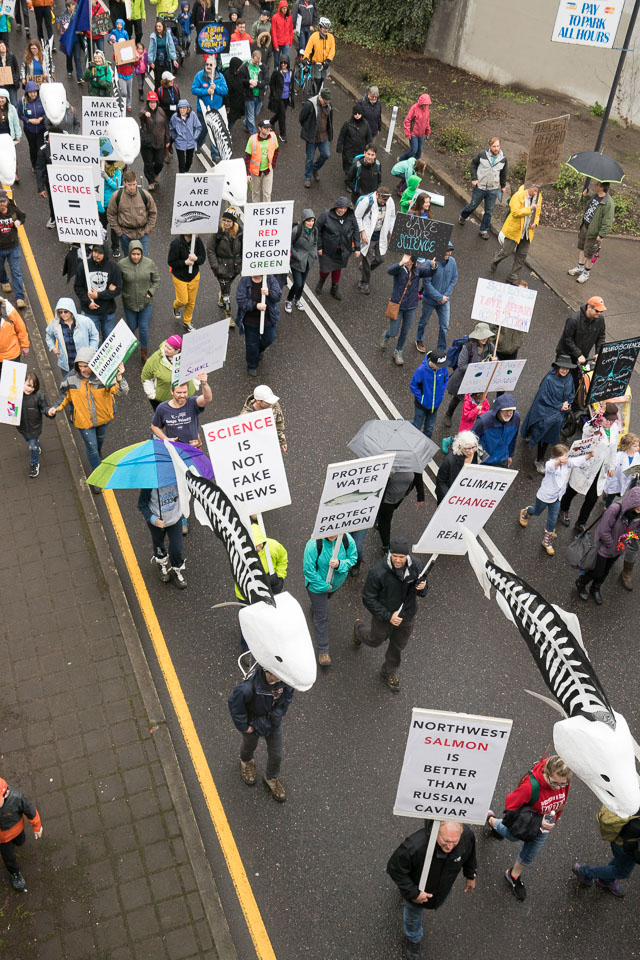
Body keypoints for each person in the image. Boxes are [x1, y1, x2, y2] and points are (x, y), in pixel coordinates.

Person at [486, 755, 571, 903]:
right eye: (554, 783)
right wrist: (538, 820)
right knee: (510, 836)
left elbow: (562, 802)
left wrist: (554, 820)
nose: (558, 788)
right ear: (546, 773)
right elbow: (510, 805)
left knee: (530, 854)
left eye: (562, 784)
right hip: (527, 824)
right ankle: (491, 821)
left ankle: (513, 875)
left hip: (543, 827)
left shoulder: (564, 781)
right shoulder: (530, 786)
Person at [387, 819, 476, 960]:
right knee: (412, 917)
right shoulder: (414, 846)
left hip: (442, 889)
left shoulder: (467, 836)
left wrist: (471, 875)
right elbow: (395, 869)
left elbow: (470, 855)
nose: (450, 846)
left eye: (454, 842)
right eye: (446, 841)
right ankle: (413, 938)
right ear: (436, 832)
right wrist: (413, 893)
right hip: (417, 893)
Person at [353, 538, 427, 693]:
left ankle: (389, 672)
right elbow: (368, 598)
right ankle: (358, 629)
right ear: (390, 554)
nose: (398, 560)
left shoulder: (417, 565)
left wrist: (423, 587)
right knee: (374, 640)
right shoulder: (377, 572)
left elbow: (422, 591)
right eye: (395, 556)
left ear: (407, 556)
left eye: (402, 557)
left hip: (407, 615)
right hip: (384, 616)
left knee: (397, 646)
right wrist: (388, 615)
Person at [48, 348, 129, 480]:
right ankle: (97, 477)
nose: (82, 369)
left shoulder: (104, 376)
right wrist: (56, 407)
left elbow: (121, 391)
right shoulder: (71, 378)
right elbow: (65, 395)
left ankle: (97, 455)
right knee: (91, 446)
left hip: (103, 418)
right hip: (83, 421)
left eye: (85, 366)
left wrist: (119, 377)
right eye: (79, 366)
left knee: (99, 441)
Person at [228, 663, 293, 801]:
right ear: (266, 671)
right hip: (253, 722)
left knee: (277, 754)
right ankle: (246, 761)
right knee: (249, 746)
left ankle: (271, 777)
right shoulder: (247, 688)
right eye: (276, 674)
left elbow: (287, 698)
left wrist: (279, 714)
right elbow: (235, 705)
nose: (280, 677)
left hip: (273, 723)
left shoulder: (285, 681)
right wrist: (244, 727)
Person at [520, 444, 593, 556]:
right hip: (544, 497)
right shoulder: (550, 464)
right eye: (564, 457)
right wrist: (558, 462)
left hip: (557, 498)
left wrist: (588, 456)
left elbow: (576, 461)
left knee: (552, 519)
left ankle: (547, 541)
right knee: (537, 512)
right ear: (557, 457)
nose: (567, 459)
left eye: (567, 457)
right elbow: (550, 466)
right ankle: (526, 512)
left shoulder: (567, 463)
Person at [559, 402, 620, 532]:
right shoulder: (593, 426)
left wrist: (611, 466)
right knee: (573, 489)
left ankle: (581, 522)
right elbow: (587, 429)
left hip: (601, 469)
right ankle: (563, 509)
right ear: (602, 417)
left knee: (592, 497)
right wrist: (598, 418)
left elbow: (613, 449)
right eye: (607, 419)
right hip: (587, 465)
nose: (610, 423)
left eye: (612, 420)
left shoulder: (614, 429)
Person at [575, 487, 640, 604]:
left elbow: (636, 531)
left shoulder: (638, 516)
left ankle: (595, 588)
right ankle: (581, 582)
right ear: (633, 501)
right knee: (597, 571)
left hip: (618, 549)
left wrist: (625, 541)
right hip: (605, 547)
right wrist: (611, 544)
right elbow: (603, 530)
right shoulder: (615, 509)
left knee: (605, 571)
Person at [303, 532, 357, 665]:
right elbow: (308, 570)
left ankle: (315, 607)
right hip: (317, 588)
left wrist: (340, 564)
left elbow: (353, 558)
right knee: (322, 617)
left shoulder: (346, 539)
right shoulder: (313, 544)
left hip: (335, 586)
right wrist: (324, 586)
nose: (333, 535)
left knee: (321, 606)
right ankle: (323, 650)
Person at [521, 356, 576, 471]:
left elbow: (571, 392)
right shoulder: (549, 380)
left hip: (559, 413)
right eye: (562, 368)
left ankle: (538, 454)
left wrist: (567, 402)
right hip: (545, 410)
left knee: (547, 434)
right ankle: (539, 460)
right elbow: (544, 397)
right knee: (543, 430)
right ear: (557, 367)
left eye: (567, 369)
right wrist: (560, 405)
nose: (565, 371)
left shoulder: (569, 378)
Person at [573, 806, 640, 898]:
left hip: (621, 836)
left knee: (621, 861)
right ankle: (584, 872)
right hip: (626, 844)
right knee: (623, 872)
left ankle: (606, 880)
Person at [380, 254, 430, 363]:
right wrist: (400, 263)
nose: (405, 258)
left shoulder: (418, 270)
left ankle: (398, 351)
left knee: (405, 331)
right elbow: (389, 271)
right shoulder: (399, 269)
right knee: (393, 332)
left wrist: (434, 266)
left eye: (408, 258)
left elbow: (430, 272)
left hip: (411, 307)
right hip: (397, 306)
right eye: (405, 256)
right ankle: (387, 335)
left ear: (412, 261)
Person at [442, 323, 495, 425]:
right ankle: (449, 414)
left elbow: (494, 361)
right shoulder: (468, 347)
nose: (485, 338)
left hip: (480, 380)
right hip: (465, 378)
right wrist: (478, 366)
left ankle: (475, 419)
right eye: (482, 336)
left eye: (486, 336)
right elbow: (461, 366)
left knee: (480, 400)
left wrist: (495, 361)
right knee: (457, 398)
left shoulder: (490, 346)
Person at [138, 480, 188, 587]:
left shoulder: (177, 480)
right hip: (157, 523)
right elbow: (142, 505)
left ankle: (176, 568)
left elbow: (186, 493)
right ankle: (161, 562)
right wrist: (154, 519)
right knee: (159, 544)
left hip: (175, 520)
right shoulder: (149, 485)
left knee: (177, 548)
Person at [490, 183, 541, 284]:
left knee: (522, 255)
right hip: (515, 230)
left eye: (538, 190)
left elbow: (537, 213)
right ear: (529, 187)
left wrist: (535, 223)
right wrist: (530, 209)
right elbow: (515, 212)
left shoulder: (539, 196)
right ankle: (496, 260)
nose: (537, 192)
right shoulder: (518, 195)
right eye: (535, 189)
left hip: (527, 232)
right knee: (507, 251)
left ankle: (513, 276)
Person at [458, 136, 508, 239]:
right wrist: (474, 178)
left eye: (498, 146)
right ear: (490, 146)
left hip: (493, 188)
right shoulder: (482, 154)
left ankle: (484, 230)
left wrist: (503, 186)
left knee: (489, 211)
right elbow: (473, 165)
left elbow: (503, 174)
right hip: (480, 186)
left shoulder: (503, 159)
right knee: (473, 205)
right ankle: (463, 215)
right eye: (494, 146)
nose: (496, 148)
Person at [0, 777, 43, 893]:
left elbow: (30, 810)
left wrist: (37, 826)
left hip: (16, 831)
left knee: (20, 841)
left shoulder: (16, 799)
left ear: (6, 794)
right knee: (9, 858)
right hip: (2, 840)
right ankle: (15, 874)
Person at [119, 240, 160, 361]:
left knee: (143, 328)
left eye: (138, 254)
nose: (136, 257)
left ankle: (144, 352)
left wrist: (151, 292)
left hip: (145, 302)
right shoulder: (121, 264)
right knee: (131, 327)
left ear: (142, 253)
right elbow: (117, 281)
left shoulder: (149, 263)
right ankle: (127, 346)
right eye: (133, 254)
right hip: (129, 302)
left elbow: (156, 280)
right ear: (129, 253)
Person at [568, 180, 615, 284]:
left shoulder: (608, 203)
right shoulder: (594, 196)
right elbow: (588, 207)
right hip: (585, 226)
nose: (594, 185)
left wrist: (601, 235)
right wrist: (585, 197)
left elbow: (608, 221)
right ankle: (580, 267)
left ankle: (586, 273)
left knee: (591, 253)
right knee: (582, 247)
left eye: (597, 184)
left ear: (602, 187)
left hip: (594, 232)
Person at [415, 241, 458, 353]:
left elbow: (454, 279)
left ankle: (441, 349)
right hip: (430, 300)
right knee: (424, 321)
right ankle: (419, 339)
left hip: (445, 300)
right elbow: (426, 284)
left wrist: (445, 296)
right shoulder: (429, 263)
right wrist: (439, 297)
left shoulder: (452, 262)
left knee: (444, 326)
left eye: (450, 251)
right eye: (446, 251)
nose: (448, 253)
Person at [235, 272, 282, 376]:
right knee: (252, 345)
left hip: (268, 319)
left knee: (269, 338)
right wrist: (255, 306)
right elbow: (240, 299)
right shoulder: (244, 281)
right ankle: (252, 365)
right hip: (250, 320)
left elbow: (278, 296)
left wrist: (269, 293)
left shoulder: (270, 279)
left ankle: (259, 350)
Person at [555, 296, 606, 391]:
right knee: (560, 378)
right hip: (566, 354)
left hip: (582, 356)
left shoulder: (600, 320)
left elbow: (601, 337)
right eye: (597, 311)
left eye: (601, 311)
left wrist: (598, 352)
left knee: (576, 380)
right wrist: (578, 354)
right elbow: (567, 339)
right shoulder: (573, 319)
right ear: (589, 307)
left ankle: (571, 397)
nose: (599, 313)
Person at [73, 243, 122, 341]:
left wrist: (98, 295)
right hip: (90, 312)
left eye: (100, 252)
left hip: (108, 312)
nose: (96, 255)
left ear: (105, 253)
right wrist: (88, 302)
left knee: (109, 342)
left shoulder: (113, 267)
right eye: (95, 251)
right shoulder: (83, 266)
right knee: (93, 341)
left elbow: (118, 289)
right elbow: (78, 287)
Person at [315, 196, 360, 300]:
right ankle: (321, 281)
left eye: (345, 208)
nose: (343, 210)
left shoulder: (351, 216)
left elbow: (356, 231)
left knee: (337, 268)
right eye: (341, 208)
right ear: (336, 207)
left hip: (343, 249)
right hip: (327, 248)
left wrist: (357, 248)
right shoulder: (326, 215)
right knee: (325, 268)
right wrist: (319, 246)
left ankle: (334, 288)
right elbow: (317, 229)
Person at [107, 169, 158, 257]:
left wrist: (147, 230)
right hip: (125, 235)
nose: (132, 187)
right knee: (128, 260)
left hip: (142, 234)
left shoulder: (145, 195)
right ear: (124, 183)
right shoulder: (117, 196)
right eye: (129, 185)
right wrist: (119, 232)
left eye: (134, 184)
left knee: (143, 260)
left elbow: (153, 212)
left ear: (136, 182)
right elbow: (111, 214)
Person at [355, 185, 395, 295]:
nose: (383, 202)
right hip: (368, 236)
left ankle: (364, 268)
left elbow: (392, 217)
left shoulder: (390, 201)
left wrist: (392, 232)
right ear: (377, 194)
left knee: (380, 259)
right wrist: (362, 231)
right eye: (382, 200)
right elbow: (357, 217)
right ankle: (364, 283)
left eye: (385, 200)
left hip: (381, 236)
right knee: (367, 261)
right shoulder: (367, 201)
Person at [142, 334, 201, 410]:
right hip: (162, 401)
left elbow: (196, 370)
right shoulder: (155, 359)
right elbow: (145, 377)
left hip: (185, 398)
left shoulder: (188, 356)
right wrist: (151, 394)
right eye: (165, 346)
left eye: (169, 349)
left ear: (177, 350)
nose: (165, 349)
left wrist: (195, 384)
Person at [151, 375, 212, 448]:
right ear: (171, 391)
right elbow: (155, 426)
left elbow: (207, 399)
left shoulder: (192, 402)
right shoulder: (162, 408)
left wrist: (204, 384)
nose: (182, 395)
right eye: (179, 392)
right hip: (175, 449)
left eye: (185, 392)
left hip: (194, 448)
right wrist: (165, 439)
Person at [45, 297, 99, 377]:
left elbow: (94, 335)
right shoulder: (54, 324)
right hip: (67, 365)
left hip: (84, 363)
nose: (63, 314)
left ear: (71, 310)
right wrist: (52, 348)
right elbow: (49, 336)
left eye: (65, 311)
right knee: (69, 383)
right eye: (60, 312)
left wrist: (91, 350)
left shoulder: (85, 321)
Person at [376, 465, 425, 552]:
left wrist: (420, 496)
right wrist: (386, 476)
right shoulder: (390, 463)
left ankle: (378, 517)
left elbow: (418, 476)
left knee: (386, 513)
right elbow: (376, 480)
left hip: (399, 497)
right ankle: (386, 545)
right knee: (385, 520)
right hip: (386, 498)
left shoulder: (413, 462)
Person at [207, 206, 243, 321]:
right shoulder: (217, 232)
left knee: (227, 285)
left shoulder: (240, 232)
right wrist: (215, 267)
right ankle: (228, 316)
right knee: (226, 293)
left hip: (235, 267)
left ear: (234, 222)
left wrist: (242, 264)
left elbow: (245, 249)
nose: (226, 223)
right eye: (224, 220)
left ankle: (222, 295)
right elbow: (210, 249)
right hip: (222, 268)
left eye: (229, 221)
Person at [168, 232, 206, 333]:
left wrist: (196, 259)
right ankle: (176, 306)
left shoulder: (197, 240)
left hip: (194, 276)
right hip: (180, 277)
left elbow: (202, 258)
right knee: (183, 301)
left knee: (191, 302)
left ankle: (187, 321)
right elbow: (171, 262)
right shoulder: (176, 243)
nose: (198, 232)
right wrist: (185, 262)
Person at [17, 370, 52, 478]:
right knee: (27, 440)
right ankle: (35, 443)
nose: (30, 389)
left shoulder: (39, 396)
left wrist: (49, 412)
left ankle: (34, 464)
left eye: (33, 387)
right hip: (21, 427)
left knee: (32, 446)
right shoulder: (16, 394)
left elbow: (44, 408)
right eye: (28, 385)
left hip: (34, 428)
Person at [473, 393, 520, 467]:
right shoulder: (483, 421)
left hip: (503, 460)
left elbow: (513, 438)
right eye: (505, 410)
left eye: (511, 410)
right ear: (498, 410)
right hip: (484, 462)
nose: (508, 413)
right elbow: (470, 440)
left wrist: (510, 455)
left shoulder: (516, 417)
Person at [192, 55, 229, 148]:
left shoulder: (220, 77)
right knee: (202, 131)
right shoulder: (199, 76)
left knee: (215, 133)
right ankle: (198, 144)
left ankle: (215, 153)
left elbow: (225, 91)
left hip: (216, 110)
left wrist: (216, 88)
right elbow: (194, 90)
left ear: (215, 65)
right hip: (203, 110)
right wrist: (206, 91)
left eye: (211, 65)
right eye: (207, 64)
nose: (208, 66)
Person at [409, 349, 449, 437]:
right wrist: (422, 399)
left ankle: (426, 443)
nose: (442, 367)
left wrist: (440, 395)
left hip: (435, 405)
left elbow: (446, 379)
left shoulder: (443, 368)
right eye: (439, 365)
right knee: (417, 425)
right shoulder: (421, 370)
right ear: (433, 363)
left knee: (429, 428)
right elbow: (413, 386)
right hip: (421, 405)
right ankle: (404, 426)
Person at [299, 87, 332, 189]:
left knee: (326, 154)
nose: (326, 104)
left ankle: (314, 168)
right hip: (312, 137)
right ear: (320, 97)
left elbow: (330, 121)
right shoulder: (310, 104)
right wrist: (308, 129)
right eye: (325, 101)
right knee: (310, 158)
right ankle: (308, 177)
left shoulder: (329, 106)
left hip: (323, 136)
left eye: (328, 102)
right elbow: (301, 118)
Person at [435, 430, 480, 503]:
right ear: (460, 447)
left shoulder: (476, 455)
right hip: (450, 497)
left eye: (473, 447)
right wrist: (449, 498)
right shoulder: (449, 460)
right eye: (468, 448)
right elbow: (441, 482)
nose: (471, 451)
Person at [285, 208, 316, 313]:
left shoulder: (314, 230)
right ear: (303, 221)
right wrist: (296, 255)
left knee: (302, 283)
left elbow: (315, 243)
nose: (311, 223)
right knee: (298, 283)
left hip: (308, 261)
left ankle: (297, 299)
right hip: (297, 262)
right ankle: (289, 300)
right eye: (308, 221)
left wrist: (313, 254)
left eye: (312, 220)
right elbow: (289, 244)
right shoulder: (296, 231)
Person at [0, 190, 26, 309]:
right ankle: (4, 281)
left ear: (7, 201)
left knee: (16, 272)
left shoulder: (13, 210)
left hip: (13, 247)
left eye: (3, 201)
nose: (2, 204)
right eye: (0, 201)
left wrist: (19, 222)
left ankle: (20, 297)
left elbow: (21, 217)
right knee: (0, 269)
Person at [241, 383, 286, 450]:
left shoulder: (274, 405)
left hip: (270, 443)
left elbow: (279, 423)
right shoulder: (245, 416)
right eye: (267, 402)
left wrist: (282, 441)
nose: (270, 404)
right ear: (258, 401)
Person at [139, 89, 170, 190]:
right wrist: (145, 113)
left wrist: (167, 140)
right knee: (148, 163)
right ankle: (151, 181)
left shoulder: (161, 111)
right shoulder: (145, 111)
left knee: (159, 163)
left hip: (159, 143)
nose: (153, 104)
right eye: (151, 102)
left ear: (157, 102)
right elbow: (140, 113)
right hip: (147, 143)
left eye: (154, 102)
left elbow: (166, 126)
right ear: (148, 103)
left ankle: (155, 173)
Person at [244, 117, 279, 202]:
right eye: (265, 128)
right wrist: (248, 174)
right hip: (256, 172)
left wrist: (272, 165)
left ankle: (266, 210)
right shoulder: (252, 139)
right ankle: (255, 209)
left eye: (269, 127)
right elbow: (247, 157)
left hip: (268, 171)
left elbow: (276, 150)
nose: (268, 129)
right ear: (259, 128)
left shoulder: (273, 136)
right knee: (255, 193)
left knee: (267, 194)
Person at [604, 432, 640, 506]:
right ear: (627, 446)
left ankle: (607, 495)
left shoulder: (637, 455)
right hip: (615, 479)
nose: (638, 448)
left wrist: (637, 471)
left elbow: (637, 466)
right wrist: (611, 469)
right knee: (611, 494)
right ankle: (607, 506)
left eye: (638, 446)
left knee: (619, 493)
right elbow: (613, 465)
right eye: (635, 446)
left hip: (625, 479)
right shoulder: (619, 455)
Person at [336, 102, 372, 175]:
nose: (357, 115)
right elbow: (341, 136)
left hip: (360, 150)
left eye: (359, 113)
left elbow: (369, 137)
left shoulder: (366, 124)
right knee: (348, 167)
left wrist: (369, 148)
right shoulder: (347, 124)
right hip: (348, 150)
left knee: (358, 167)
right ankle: (348, 177)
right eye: (355, 113)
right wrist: (339, 147)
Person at [97, 160, 123, 258]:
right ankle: (102, 246)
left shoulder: (117, 171)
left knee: (114, 226)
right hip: (102, 203)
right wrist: (98, 203)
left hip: (112, 204)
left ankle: (115, 247)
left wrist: (107, 178)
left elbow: (116, 186)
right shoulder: (97, 171)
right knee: (102, 225)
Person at [17, 81, 45, 172]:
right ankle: (34, 165)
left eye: (35, 92)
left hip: (41, 128)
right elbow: (20, 115)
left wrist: (42, 118)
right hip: (29, 130)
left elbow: (48, 112)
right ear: (27, 93)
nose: (33, 94)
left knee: (40, 147)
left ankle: (41, 165)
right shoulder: (22, 102)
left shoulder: (43, 99)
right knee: (33, 148)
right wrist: (28, 120)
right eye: (30, 92)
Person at [302, 16, 334, 96]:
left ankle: (318, 93)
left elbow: (332, 50)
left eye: (327, 28)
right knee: (317, 79)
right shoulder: (314, 36)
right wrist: (305, 58)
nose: (326, 30)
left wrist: (328, 60)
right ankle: (315, 94)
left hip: (325, 63)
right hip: (316, 62)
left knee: (322, 79)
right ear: (320, 27)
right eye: (324, 28)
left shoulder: (331, 37)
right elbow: (308, 48)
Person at [240, 48, 268, 135]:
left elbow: (266, 80)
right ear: (252, 57)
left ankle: (246, 122)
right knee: (251, 116)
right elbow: (241, 80)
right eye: (255, 62)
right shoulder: (245, 67)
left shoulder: (263, 67)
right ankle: (254, 134)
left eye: (258, 62)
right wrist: (249, 82)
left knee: (255, 114)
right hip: (249, 95)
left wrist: (256, 84)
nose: (257, 64)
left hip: (259, 95)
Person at [109, 19, 135, 111]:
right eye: (118, 24)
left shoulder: (129, 50)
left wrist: (137, 57)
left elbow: (135, 61)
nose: (119, 26)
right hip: (121, 73)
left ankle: (129, 104)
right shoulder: (114, 32)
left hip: (129, 74)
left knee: (129, 91)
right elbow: (114, 59)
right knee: (124, 92)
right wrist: (115, 48)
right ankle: (123, 102)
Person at [169, 99, 201, 172]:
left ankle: (185, 172)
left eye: (184, 108)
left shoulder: (192, 115)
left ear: (187, 108)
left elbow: (198, 127)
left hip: (190, 142)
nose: (182, 110)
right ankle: (182, 176)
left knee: (189, 161)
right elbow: (171, 128)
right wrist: (174, 137)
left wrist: (194, 137)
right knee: (181, 163)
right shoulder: (174, 117)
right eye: (180, 108)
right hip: (179, 142)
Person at [397, 93, 431, 162]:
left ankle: (416, 164)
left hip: (421, 134)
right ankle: (401, 159)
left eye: (427, 104)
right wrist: (407, 133)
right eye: (425, 104)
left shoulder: (427, 109)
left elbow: (427, 121)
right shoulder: (414, 108)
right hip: (413, 134)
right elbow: (407, 120)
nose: (426, 106)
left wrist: (428, 131)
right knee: (413, 150)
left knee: (419, 152)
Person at [267, 54, 293, 141]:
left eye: (285, 63)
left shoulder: (290, 72)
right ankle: (283, 134)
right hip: (279, 97)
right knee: (282, 115)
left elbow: (291, 85)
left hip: (287, 97)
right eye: (282, 62)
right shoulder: (277, 72)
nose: (283, 64)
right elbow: (271, 83)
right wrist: (274, 94)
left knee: (280, 113)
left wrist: (292, 98)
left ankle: (271, 121)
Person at [0, 296, 29, 372]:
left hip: (11, 355)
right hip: (11, 354)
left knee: (12, 379)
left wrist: (25, 345)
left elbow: (20, 326)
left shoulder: (6, 307)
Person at [148, 19, 179, 88]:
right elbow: (151, 49)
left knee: (167, 80)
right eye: (157, 26)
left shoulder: (167, 34)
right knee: (158, 80)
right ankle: (158, 93)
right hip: (157, 61)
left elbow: (171, 46)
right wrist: (151, 62)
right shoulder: (153, 36)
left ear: (163, 27)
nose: (158, 28)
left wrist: (174, 59)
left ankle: (166, 93)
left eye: (159, 26)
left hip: (166, 61)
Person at [0, 89, 20, 181]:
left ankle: (15, 173)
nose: (1, 100)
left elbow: (16, 123)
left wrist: (18, 136)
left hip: (9, 138)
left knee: (12, 156)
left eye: (2, 98)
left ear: (7, 98)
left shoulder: (12, 109)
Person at [224, 55, 246, 133]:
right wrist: (227, 106)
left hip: (238, 102)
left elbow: (243, 81)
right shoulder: (227, 76)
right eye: (239, 67)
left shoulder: (239, 73)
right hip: (231, 104)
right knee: (229, 122)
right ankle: (227, 134)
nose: (240, 68)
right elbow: (226, 93)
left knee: (232, 121)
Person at [271, 0, 292, 68]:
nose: (285, 10)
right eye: (283, 8)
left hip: (286, 43)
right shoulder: (275, 17)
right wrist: (275, 45)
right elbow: (273, 32)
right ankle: (276, 73)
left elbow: (290, 29)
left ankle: (286, 74)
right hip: (278, 43)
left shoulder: (289, 17)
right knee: (276, 62)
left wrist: (290, 41)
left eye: (286, 8)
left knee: (286, 62)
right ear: (280, 8)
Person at [0, 41, 20, 109]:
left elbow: (16, 68)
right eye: (1, 46)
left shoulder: (11, 55)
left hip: (12, 84)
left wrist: (16, 80)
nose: (3, 47)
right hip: (2, 85)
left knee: (14, 104)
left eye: (4, 46)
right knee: (2, 104)